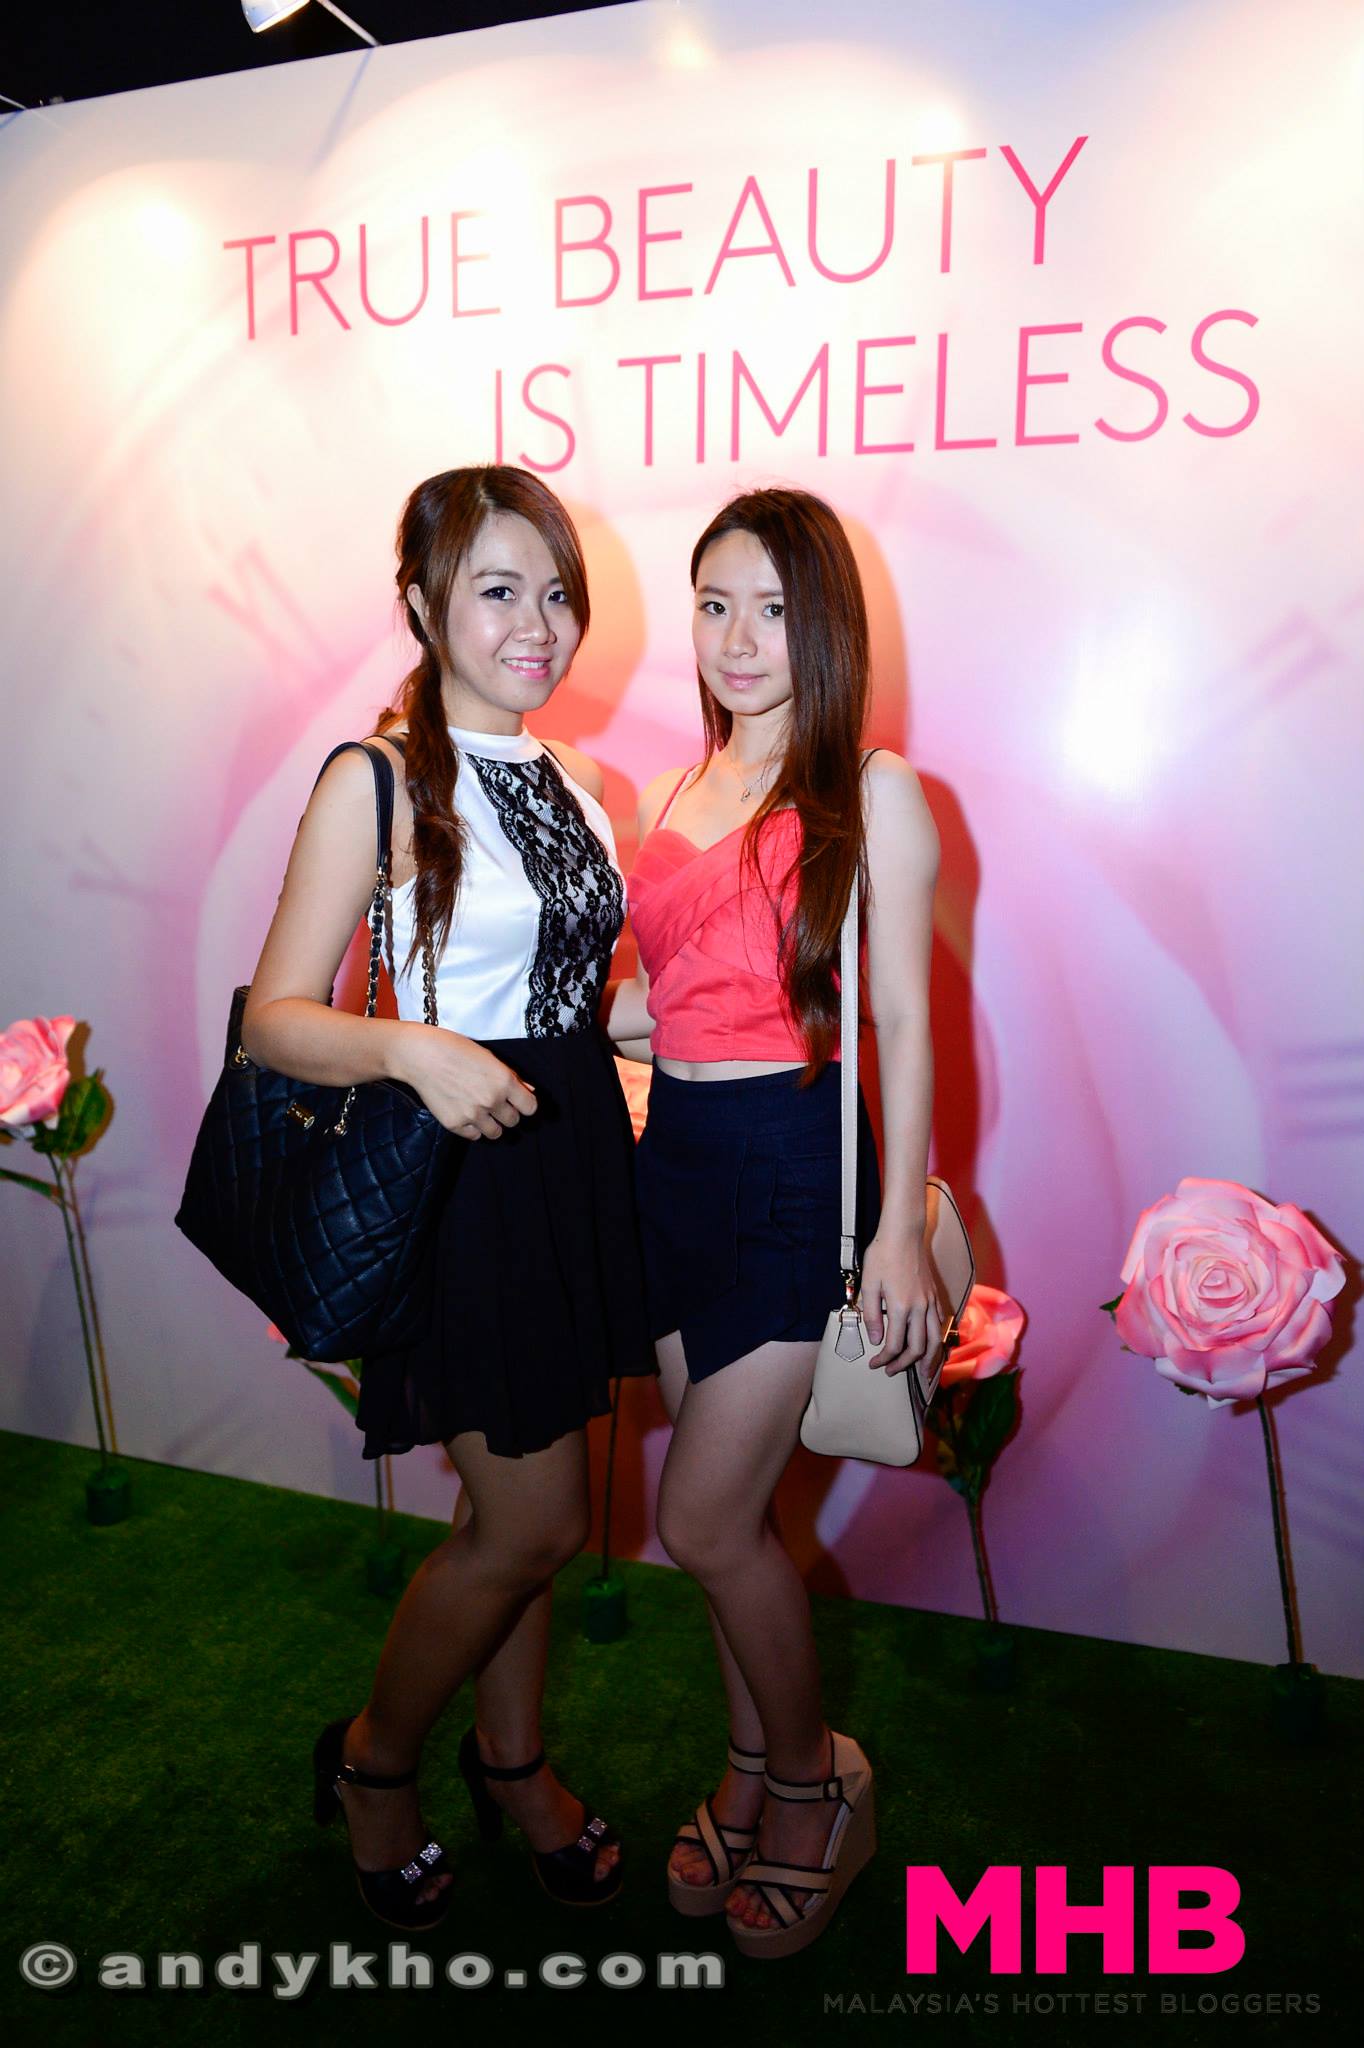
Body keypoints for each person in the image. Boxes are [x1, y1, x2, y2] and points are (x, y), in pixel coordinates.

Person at [242, 465, 655, 1930]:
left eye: (556, 593)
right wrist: (415, 1049)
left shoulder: (584, 787)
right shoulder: (373, 778)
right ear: (420, 604)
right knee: (530, 1523)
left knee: (527, 1508)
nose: (538, 623)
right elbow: (276, 1021)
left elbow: (568, 1000)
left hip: (572, 1164)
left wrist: (668, 1015)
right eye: (496, 589)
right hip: (457, 1182)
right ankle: (373, 1761)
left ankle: (514, 1762)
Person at [604, 486, 940, 1960]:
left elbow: (904, 1026)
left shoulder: (872, 791)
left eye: (777, 611)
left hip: (797, 1164)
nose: (740, 641)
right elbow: (666, 997)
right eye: (715, 605)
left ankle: (815, 1786)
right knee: (732, 1519)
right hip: (672, 1162)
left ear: (829, 627)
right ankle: (748, 1769)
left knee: (698, 1520)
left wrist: (900, 1231)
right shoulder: (673, 791)